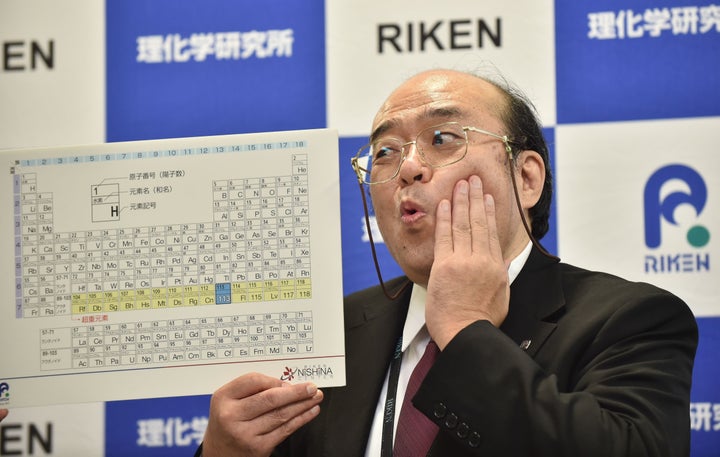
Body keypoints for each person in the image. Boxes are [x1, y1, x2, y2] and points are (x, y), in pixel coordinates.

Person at [196, 68, 698, 456]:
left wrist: (463, 329)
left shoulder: (630, 319)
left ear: (526, 178)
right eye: (385, 152)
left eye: (442, 139)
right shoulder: (332, 334)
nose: (408, 167)